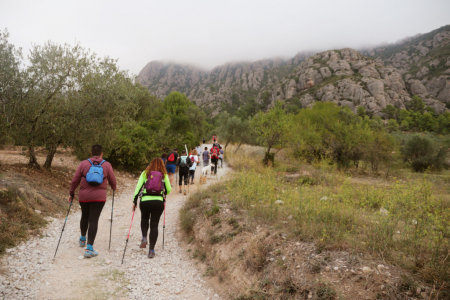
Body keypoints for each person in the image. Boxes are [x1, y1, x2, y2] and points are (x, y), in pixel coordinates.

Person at [69, 144, 117, 258]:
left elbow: (75, 180)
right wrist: (114, 188)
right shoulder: (106, 164)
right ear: (102, 154)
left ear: (91, 153)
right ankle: (89, 248)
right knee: (93, 220)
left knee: (84, 216)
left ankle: (82, 238)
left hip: (84, 196)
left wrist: (71, 192)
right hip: (99, 197)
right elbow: (113, 180)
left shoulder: (84, 163)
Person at [132, 157, 171, 258]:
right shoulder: (164, 174)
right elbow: (169, 189)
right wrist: (164, 192)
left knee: (144, 218)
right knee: (154, 224)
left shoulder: (146, 173)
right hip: (158, 202)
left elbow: (138, 187)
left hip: (145, 201)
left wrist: (135, 200)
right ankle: (151, 250)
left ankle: (144, 237)